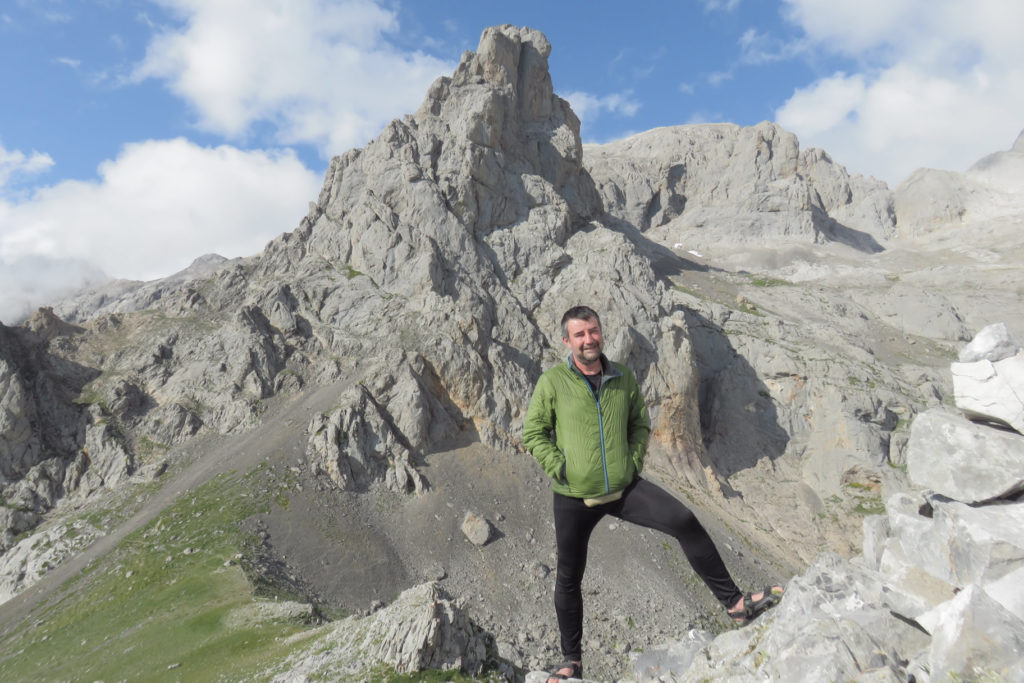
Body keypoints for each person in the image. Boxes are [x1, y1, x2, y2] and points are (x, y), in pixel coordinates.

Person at [523, 305, 782, 682]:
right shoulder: (553, 383)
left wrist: (632, 462)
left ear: (601, 332)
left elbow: (640, 425)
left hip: (624, 488)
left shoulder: (622, 377)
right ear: (567, 341)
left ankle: (736, 604)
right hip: (574, 496)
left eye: (593, 330)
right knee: (568, 576)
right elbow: (533, 433)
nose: (588, 339)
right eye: (579, 334)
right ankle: (572, 661)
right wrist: (562, 467)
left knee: (685, 520)